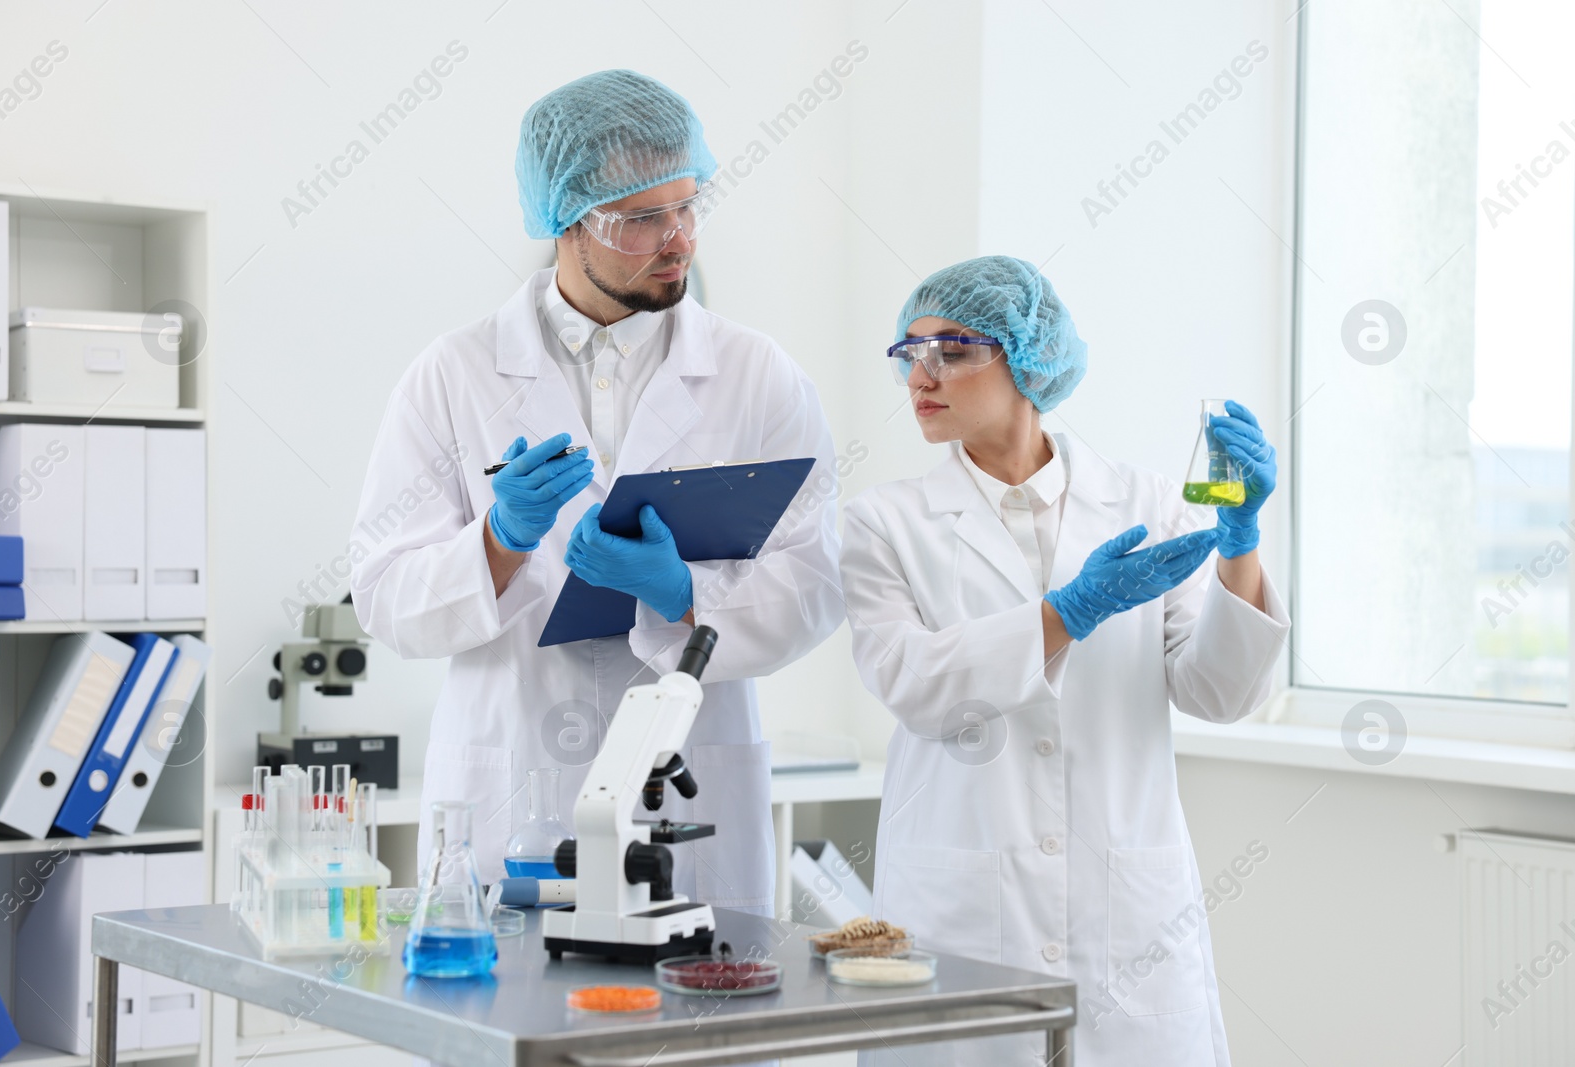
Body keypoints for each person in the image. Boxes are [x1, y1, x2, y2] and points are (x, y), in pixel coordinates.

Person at [350, 70, 842, 914]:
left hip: (689, 785)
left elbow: (822, 579)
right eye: (643, 217)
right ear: (565, 220)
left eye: (688, 206)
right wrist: (500, 541)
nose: (679, 238)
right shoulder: (454, 373)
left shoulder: (759, 376)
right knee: (517, 1032)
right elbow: (383, 595)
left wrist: (682, 593)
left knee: (693, 1019)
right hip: (510, 783)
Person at [841, 256, 1288, 1065]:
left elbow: (1217, 691)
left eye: (953, 348)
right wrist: (1065, 613)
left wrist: (1241, 546)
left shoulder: (1145, 502)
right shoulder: (884, 523)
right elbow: (916, 686)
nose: (922, 374)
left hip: (1126, 915)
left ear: (1028, 359)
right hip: (962, 909)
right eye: (909, 352)